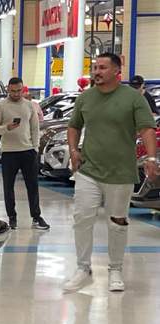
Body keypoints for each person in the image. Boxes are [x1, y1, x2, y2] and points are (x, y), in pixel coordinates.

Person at [63, 53, 158, 293]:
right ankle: (83, 268)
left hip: (120, 172)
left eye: (102, 67)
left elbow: (147, 129)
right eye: (94, 67)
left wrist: (151, 158)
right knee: (82, 218)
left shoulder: (133, 98)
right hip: (89, 170)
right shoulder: (85, 98)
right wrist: (73, 150)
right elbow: (74, 126)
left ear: (117, 71)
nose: (96, 71)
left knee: (117, 223)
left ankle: (115, 269)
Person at [0, 77, 48, 231]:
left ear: (23, 89)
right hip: (9, 153)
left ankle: (36, 216)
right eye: (13, 91)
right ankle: (12, 217)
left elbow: (35, 128)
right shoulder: (1, 107)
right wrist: (6, 128)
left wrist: (35, 148)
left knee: (33, 186)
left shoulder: (29, 106)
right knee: (8, 187)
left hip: (28, 152)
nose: (16, 94)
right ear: (8, 89)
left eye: (19, 91)